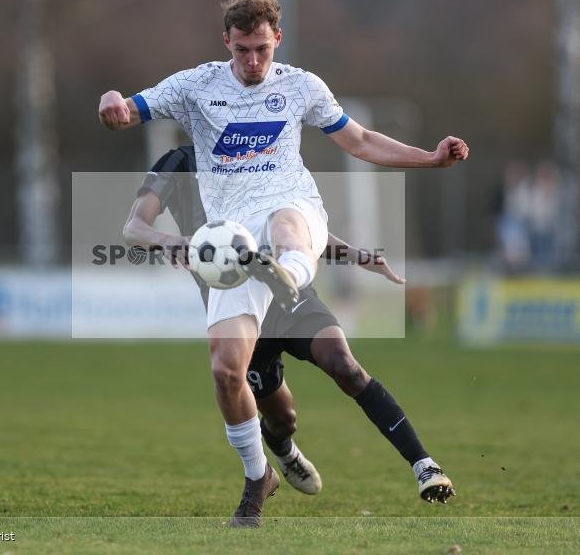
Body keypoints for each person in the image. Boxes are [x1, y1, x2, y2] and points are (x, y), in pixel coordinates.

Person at [99, 0, 468, 527]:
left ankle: (289, 274)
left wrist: (430, 159)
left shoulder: (301, 86)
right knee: (226, 371)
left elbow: (362, 141)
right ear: (226, 41)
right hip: (232, 245)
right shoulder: (195, 86)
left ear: (278, 39)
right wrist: (112, 101)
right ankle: (259, 474)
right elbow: (127, 112)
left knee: (288, 228)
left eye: (262, 50)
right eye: (242, 50)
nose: (253, 61)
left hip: (292, 209)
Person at [123, 146, 456, 506]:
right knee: (282, 419)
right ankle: (282, 449)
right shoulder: (178, 163)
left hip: (287, 290)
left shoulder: (256, 150)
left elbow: (301, 229)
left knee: (344, 365)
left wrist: (356, 255)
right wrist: (170, 241)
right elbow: (134, 227)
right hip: (237, 311)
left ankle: (425, 465)